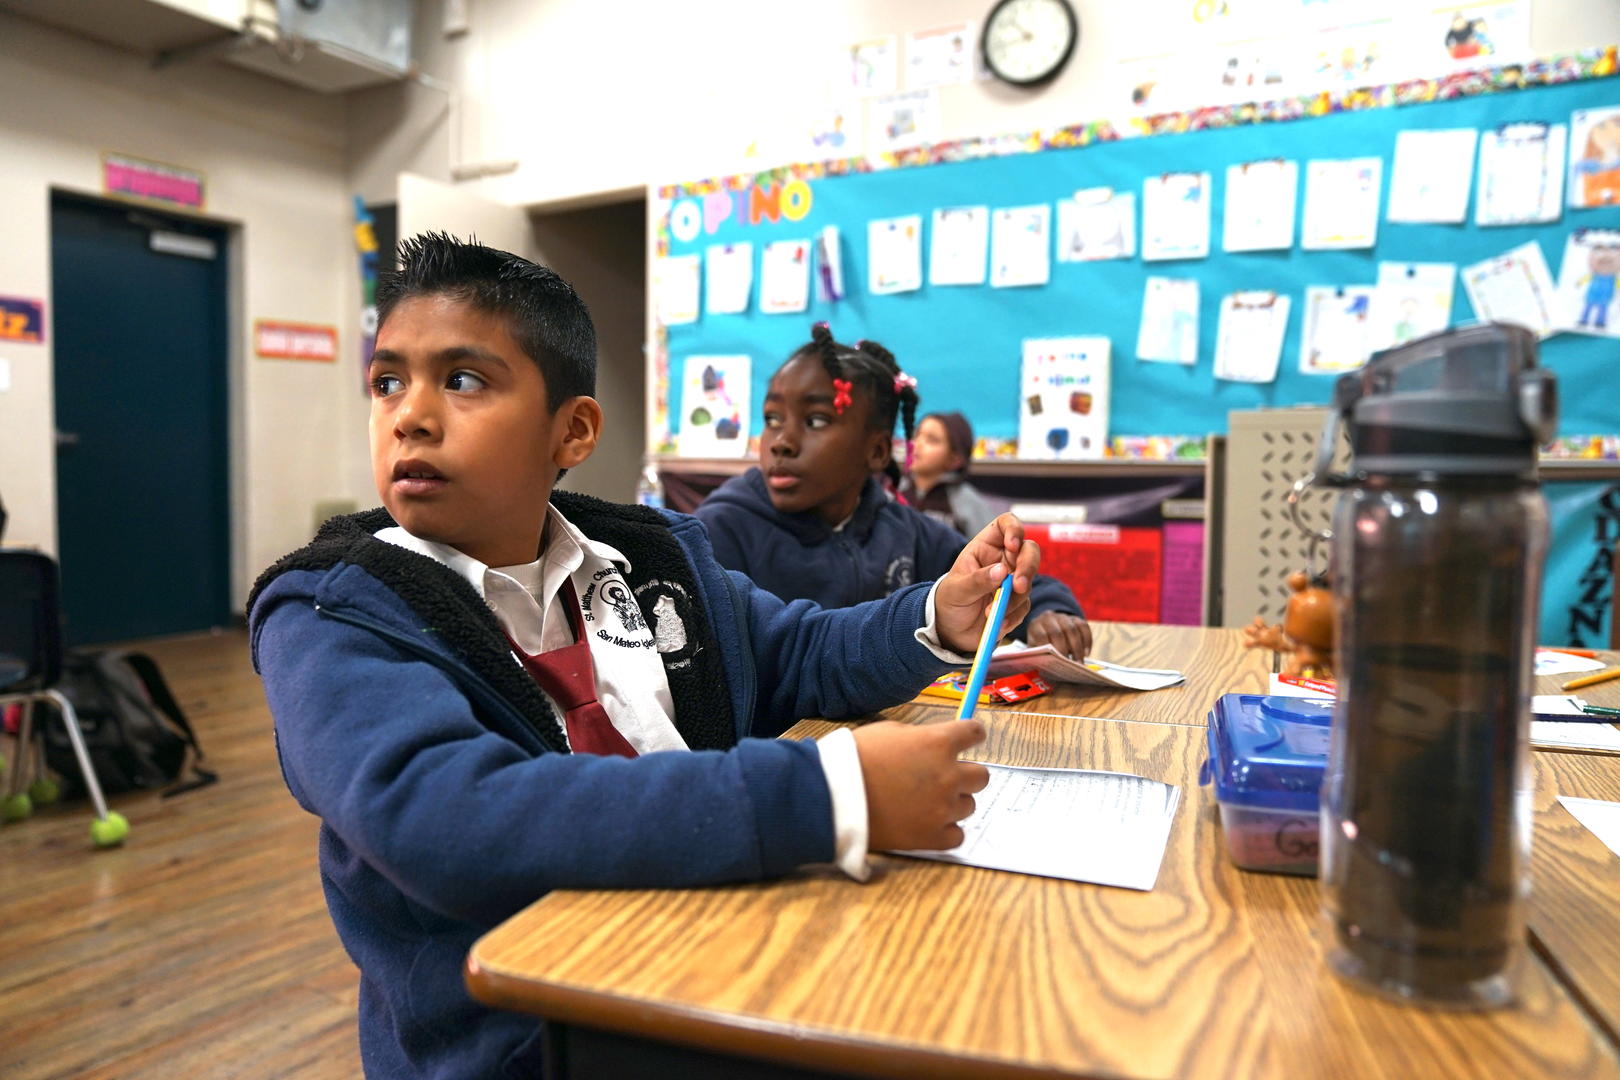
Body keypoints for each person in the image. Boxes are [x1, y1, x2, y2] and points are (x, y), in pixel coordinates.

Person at [248, 234, 1049, 1079]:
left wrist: (937, 613)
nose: (409, 412)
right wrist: (830, 793)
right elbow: (446, 817)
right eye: (387, 381)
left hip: (712, 954)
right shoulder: (334, 611)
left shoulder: (651, 562)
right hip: (531, 1042)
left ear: (574, 431)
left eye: (464, 379)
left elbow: (796, 652)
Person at [695, 323, 1092, 661]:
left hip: (891, 732)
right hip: (787, 745)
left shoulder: (902, 529)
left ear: (877, 451)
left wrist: (1045, 612)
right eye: (772, 419)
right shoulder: (722, 531)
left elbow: (1010, 583)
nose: (781, 441)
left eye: (815, 420)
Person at [901, 411, 995, 539]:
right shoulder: (892, 492)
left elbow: (990, 550)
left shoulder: (968, 503)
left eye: (932, 440)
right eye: (916, 435)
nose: (917, 444)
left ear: (954, 459)